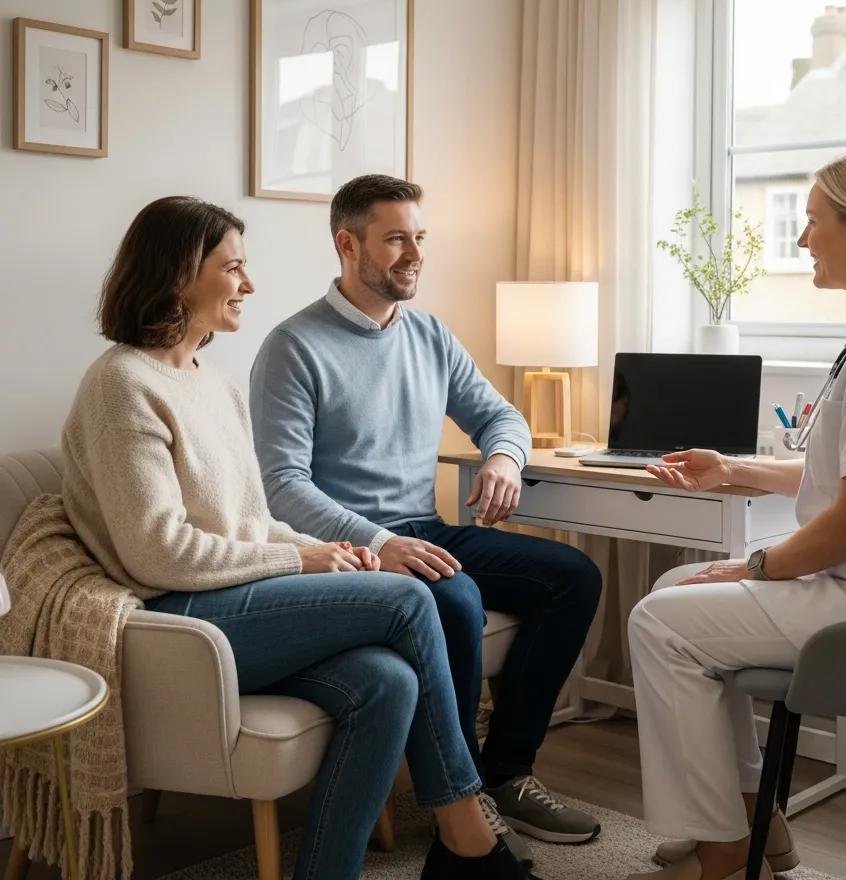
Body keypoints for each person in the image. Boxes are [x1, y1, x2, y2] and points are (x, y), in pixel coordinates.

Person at [60, 196, 532, 880]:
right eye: (233, 268)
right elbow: (156, 553)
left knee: (388, 681)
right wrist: (300, 554)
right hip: (175, 620)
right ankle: (466, 834)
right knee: (407, 600)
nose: (249, 285)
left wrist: (322, 552)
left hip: (234, 600)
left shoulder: (205, 381)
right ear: (176, 275)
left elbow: (250, 516)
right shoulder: (123, 385)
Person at [626, 150, 846, 880]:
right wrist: (732, 469)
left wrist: (755, 565)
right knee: (672, 595)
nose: (802, 240)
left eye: (813, 222)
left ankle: (726, 845)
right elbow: (845, 474)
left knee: (657, 620)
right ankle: (753, 816)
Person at [249, 174, 604, 852]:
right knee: (456, 599)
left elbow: (500, 414)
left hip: (425, 529)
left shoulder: (429, 335)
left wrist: (502, 456)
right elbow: (282, 488)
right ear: (347, 245)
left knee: (574, 577)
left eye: (419, 237)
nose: (414, 253)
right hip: (348, 553)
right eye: (395, 239)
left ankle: (507, 776)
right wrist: (380, 542)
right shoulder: (293, 347)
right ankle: (460, 800)